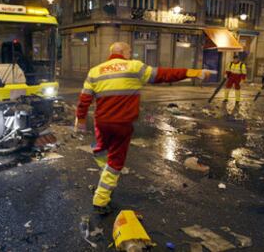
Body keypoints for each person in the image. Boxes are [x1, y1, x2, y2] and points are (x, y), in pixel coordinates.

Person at [74, 42, 212, 214]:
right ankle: (101, 199)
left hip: (101, 122)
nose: (131, 54)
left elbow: (84, 99)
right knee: (116, 162)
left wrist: (80, 119)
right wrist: (193, 72)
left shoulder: (95, 71)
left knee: (101, 149)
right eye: (130, 51)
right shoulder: (134, 67)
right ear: (123, 52)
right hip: (122, 124)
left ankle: (105, 171)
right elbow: (164, 74)